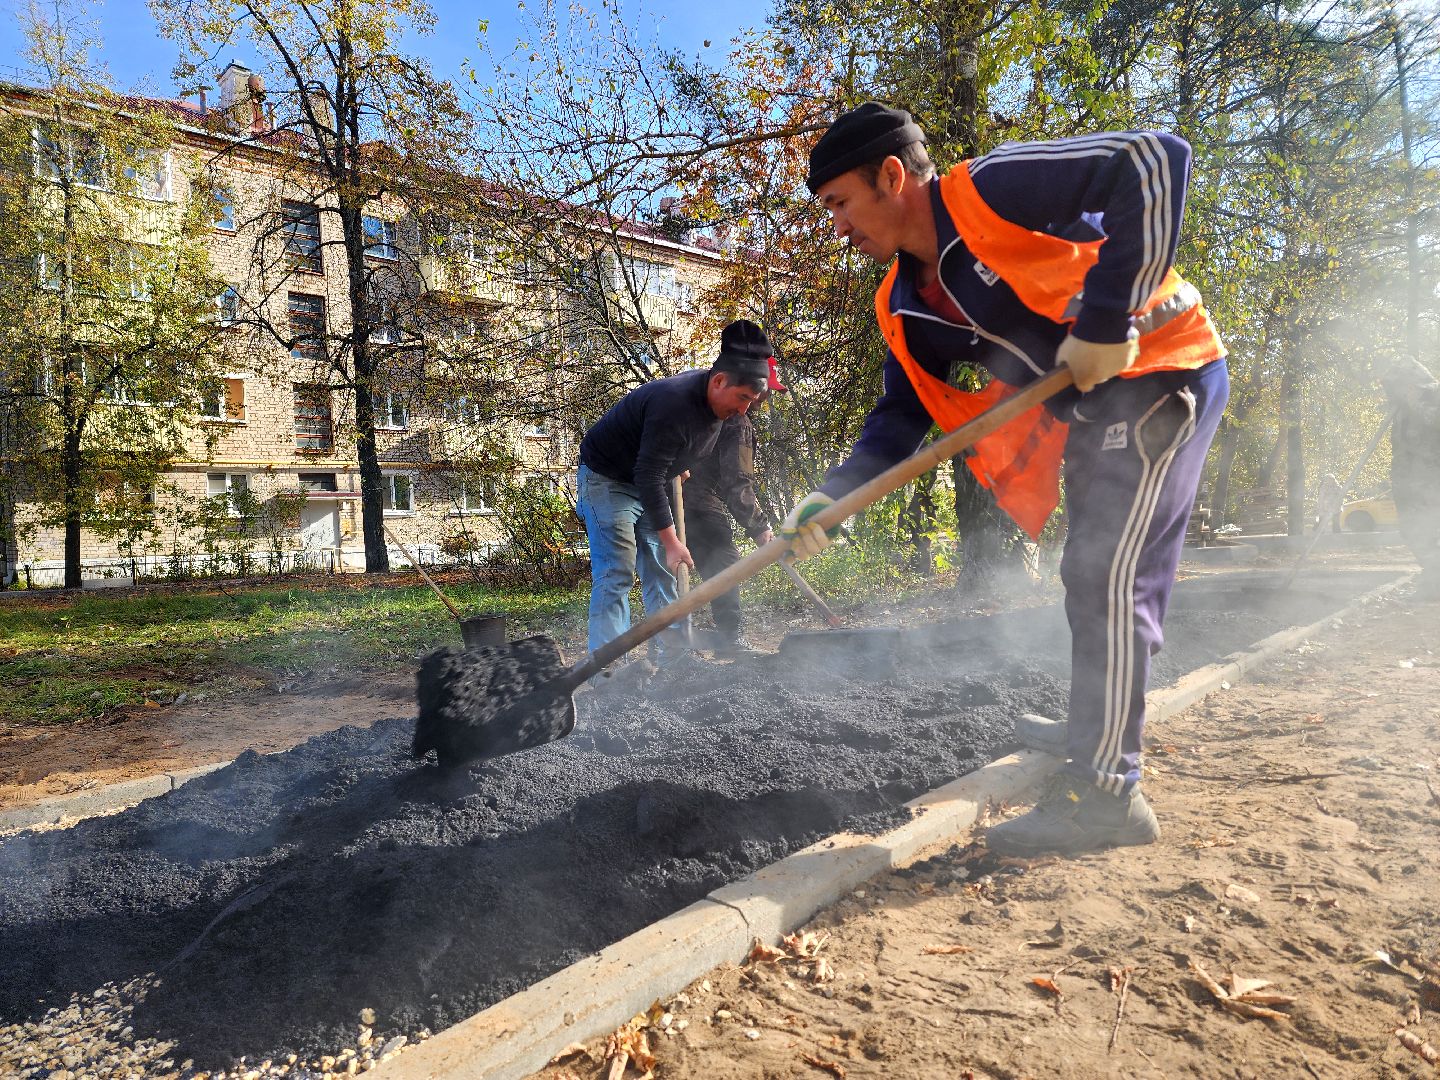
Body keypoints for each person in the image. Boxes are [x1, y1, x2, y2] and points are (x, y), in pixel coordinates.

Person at [781, 103, 1230, 856]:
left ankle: (1108, 795)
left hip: (1160, 367)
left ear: (890, 175)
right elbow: (899, 416)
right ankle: (1095, 727)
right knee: (1085, 573)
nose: (837, 227)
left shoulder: (993, 188)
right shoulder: (900, 303)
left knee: (1111, 578)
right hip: (1092, 406)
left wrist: (1108, 319)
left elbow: (1157, 158)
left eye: (839, 204)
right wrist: (835, 497)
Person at [577, 320, 773, 667]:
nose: (744, 409)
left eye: (751, 401)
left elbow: (668, 454)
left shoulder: (718, 404)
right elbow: (648, 472)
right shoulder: (675, 402)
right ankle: (607, 669)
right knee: (618, 571)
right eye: (743, 398)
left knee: (663, 573)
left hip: (647, 480)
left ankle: (676, 659)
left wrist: (676, 463)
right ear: (718, 381)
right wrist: (672, 540)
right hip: (608, 480)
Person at [685, 356, 787, 657]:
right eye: (766, 390)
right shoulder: (738, 422)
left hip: (664, 503)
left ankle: (675, 650)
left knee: (667, 575)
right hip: (698, 504)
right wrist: (759, 526)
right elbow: (736, 481)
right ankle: (731, 641)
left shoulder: (703, 407)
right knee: (724, 565)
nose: (766, 398)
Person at [1379, 357, 1440, 599]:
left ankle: (1435, 581)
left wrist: (1415, 403)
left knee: (1432, 528)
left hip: (1431, 483)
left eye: (1396, 388)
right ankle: (1433, 575)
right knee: (1411, 530)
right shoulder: (1400, 408)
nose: (1391, 394)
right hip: (1407, 485)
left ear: (1411, 385)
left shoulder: (1434, 398)